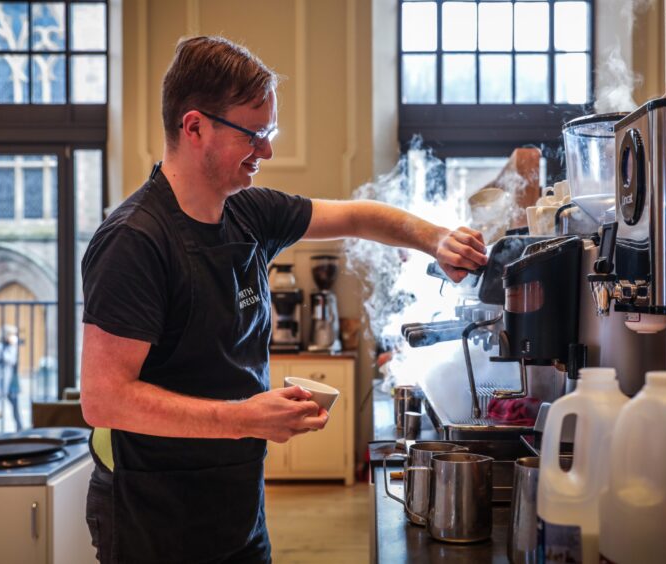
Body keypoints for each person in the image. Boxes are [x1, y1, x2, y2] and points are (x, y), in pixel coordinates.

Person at [79, 35, 487, 564]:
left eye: (270, 133)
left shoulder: (250, 213)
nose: (267, 151)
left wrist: (434, 238)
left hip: (235, 502)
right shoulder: (135, 241)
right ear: (195, 126)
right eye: (253, 133)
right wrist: (245, 418)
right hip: (152, 511)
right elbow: (104, 399)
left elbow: (360, 216)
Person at [0, 325, 22, 431]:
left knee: (15, 405)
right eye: (11, 334)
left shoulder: (12, 347)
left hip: (9, 380)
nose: (13, 337)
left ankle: (20, 427)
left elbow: (12, 361)